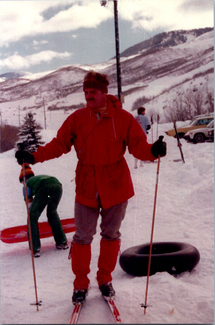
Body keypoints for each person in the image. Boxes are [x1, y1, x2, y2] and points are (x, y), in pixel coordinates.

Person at [15, 70, 166, 304]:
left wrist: (152, 152)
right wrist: (34, 157)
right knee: (82, 238)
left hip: (116, 185)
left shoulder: (123, 118)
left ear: (105, 93)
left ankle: (105, 280)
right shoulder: (77, 118)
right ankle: (80, 285)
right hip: (86, 185)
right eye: (85, 92)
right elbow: (59, 144)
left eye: (92, 92)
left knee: (111, 235)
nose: (88, 96)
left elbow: (138, 146)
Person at [19, 163, 69, 257]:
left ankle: (35, 248)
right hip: (57, 185)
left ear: (23, 179)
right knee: (52, 213)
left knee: (32, 217)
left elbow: (29, 203)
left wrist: (31, 212)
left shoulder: (26, 184)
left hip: (43, 187)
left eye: (21, 182)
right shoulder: (38, 178)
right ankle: (62, 242)